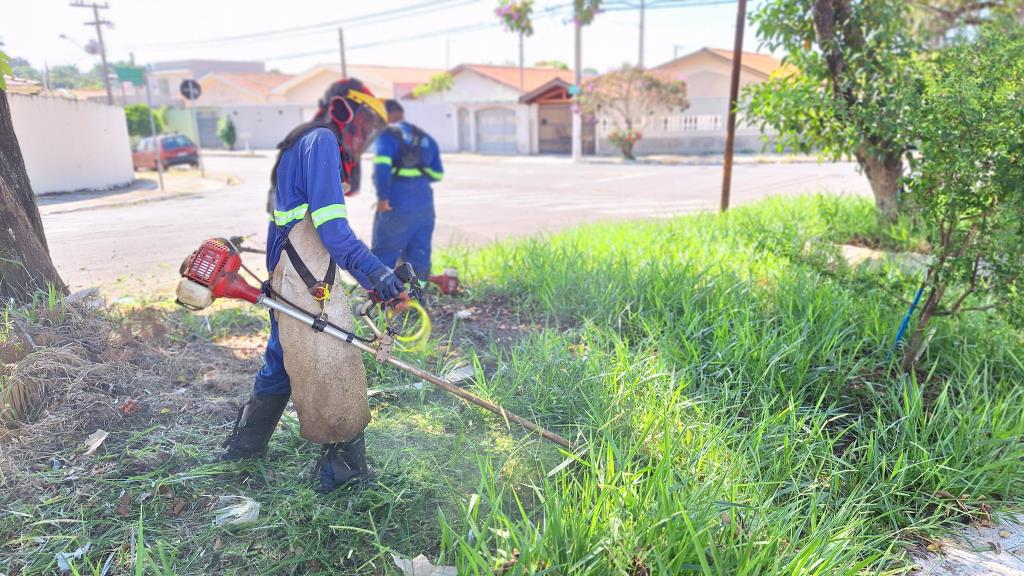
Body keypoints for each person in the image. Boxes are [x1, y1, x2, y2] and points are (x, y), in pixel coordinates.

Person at [220, 79, 407, 493]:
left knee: (283, 354)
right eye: (367, 122)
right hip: (304, 271)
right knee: (330, 354)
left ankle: (246, 446)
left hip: (288, 266)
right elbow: (334, 233)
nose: (367, 134)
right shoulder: (321, 141)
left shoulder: (300, 143)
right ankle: (342, 474)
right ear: (346, 111)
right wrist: (378, 275)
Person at [371, 99, 444, 282]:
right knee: (419, 255)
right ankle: (416, 302)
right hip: (424, 204)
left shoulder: (386, 136)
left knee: (384, 254)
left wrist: (382, 198)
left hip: (396, 202)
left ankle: (382, 303)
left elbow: (382, 169)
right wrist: (419, 169)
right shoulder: (426, 139)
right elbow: (437, 174)